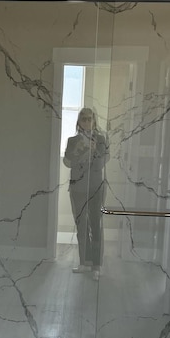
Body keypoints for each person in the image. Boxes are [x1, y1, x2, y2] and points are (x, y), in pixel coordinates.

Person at [63, 108, 109, 280]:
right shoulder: (72, 141)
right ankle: (84, 262)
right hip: (78, 189)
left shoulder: (101, 140)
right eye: (83, 119)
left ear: (95, 121)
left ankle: (96, 265)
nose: (87, 122)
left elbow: (100, 164)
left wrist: (94, 150)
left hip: (96, 187)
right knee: (81, 226)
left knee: (96, 225)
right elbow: (67, 162)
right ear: (78, 121)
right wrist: (81, 151)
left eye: (90, 119)